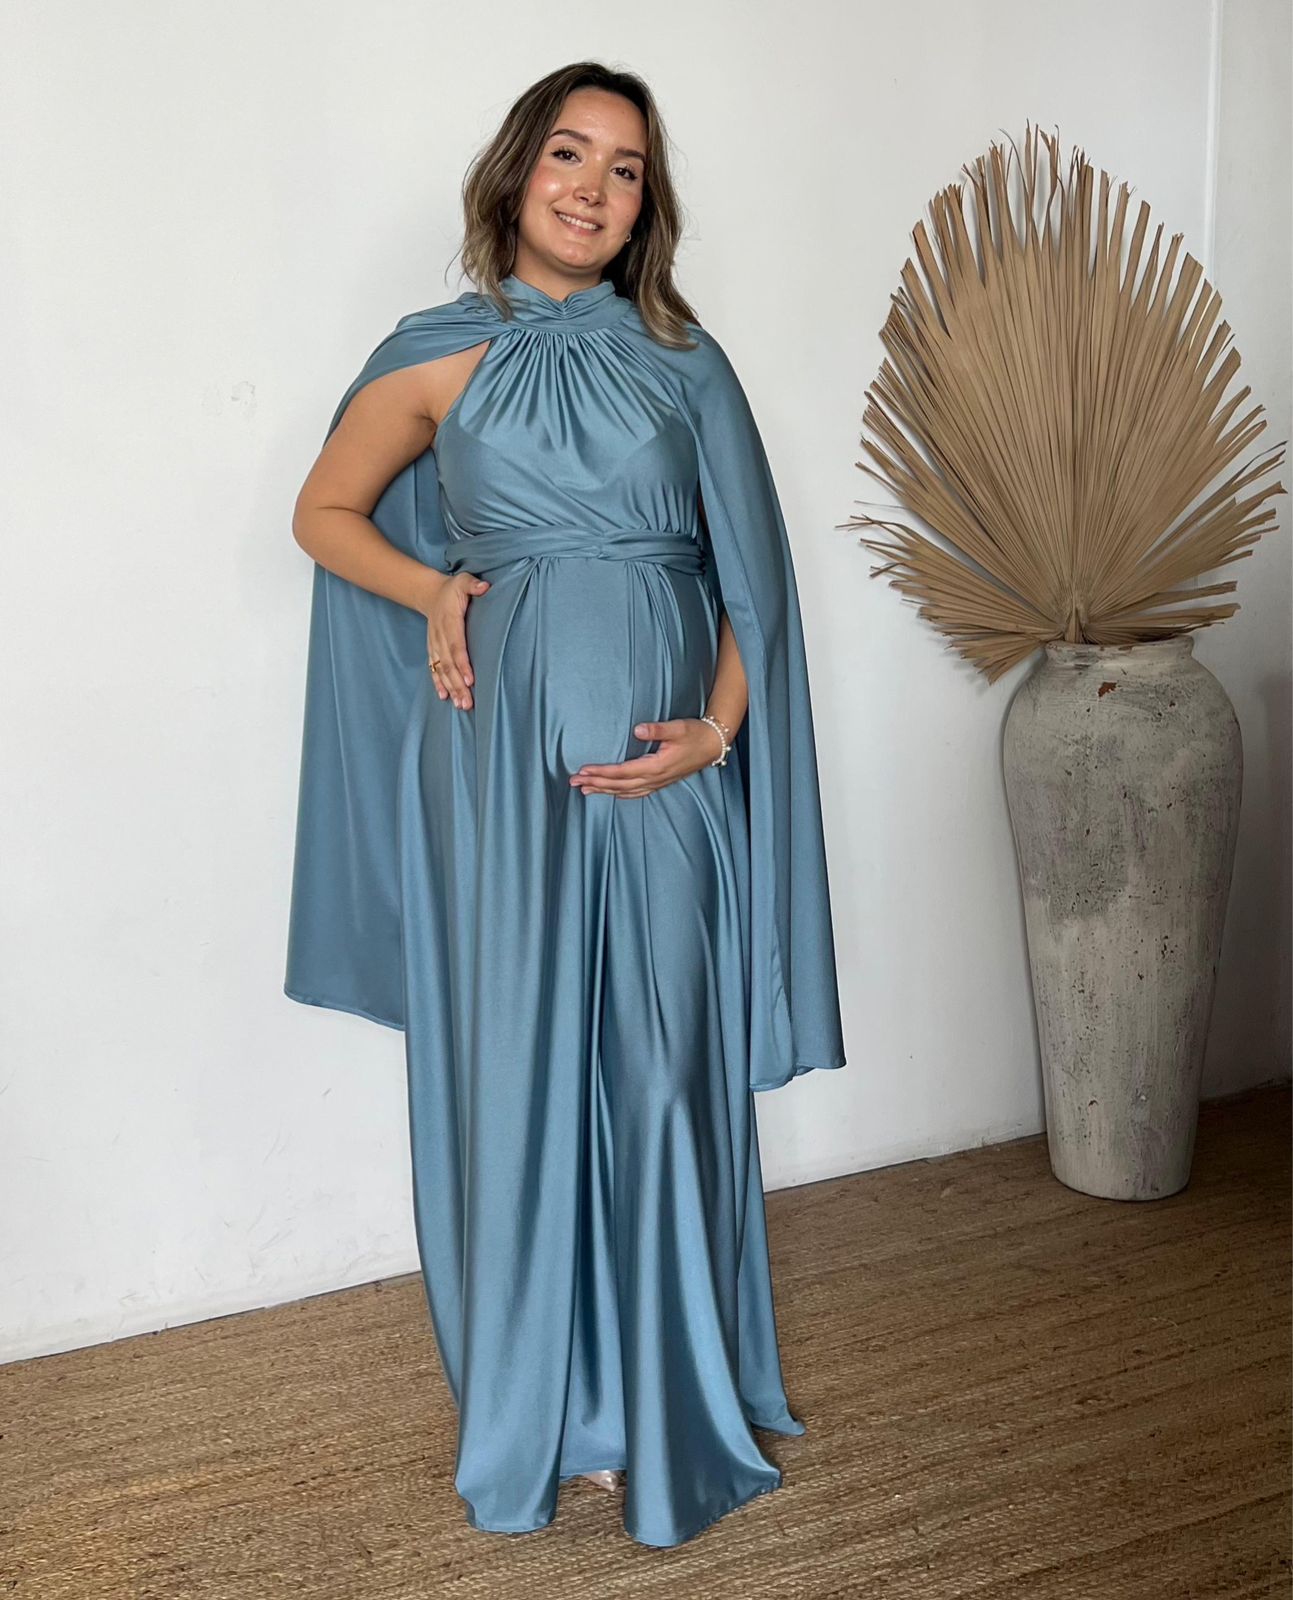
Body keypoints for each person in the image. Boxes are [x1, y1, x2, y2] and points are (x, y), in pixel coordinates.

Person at [284, 61, 847, 1548]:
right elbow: (323, 513)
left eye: (625, 168)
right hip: (495, 772)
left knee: (660, 1069)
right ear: (515, 173)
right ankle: (556, 1402)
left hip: (660, 767)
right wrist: (434, 591)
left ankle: (669, 1391)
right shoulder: (432, 356)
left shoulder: (683, 361)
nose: (592, 187)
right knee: (521, 1070)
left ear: (645, 206)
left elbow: (755, 582)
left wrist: (714, 734)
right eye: (567, 154)